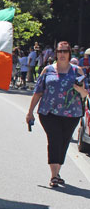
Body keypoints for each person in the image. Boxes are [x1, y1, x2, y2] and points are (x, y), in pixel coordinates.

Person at [26, 41, 88, 187]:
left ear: (69, 53)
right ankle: (54, 175)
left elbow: (85, 94)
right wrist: (30, 112)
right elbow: (38, 92)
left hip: (72, 114)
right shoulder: (47, 70)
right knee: (54, 139)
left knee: (64, 141)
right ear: (56, 53)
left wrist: (78, 88)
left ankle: (57, 171)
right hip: (48, 112)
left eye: (65, 51)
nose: (62, 54)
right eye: (59, 51)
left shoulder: (77, 71)